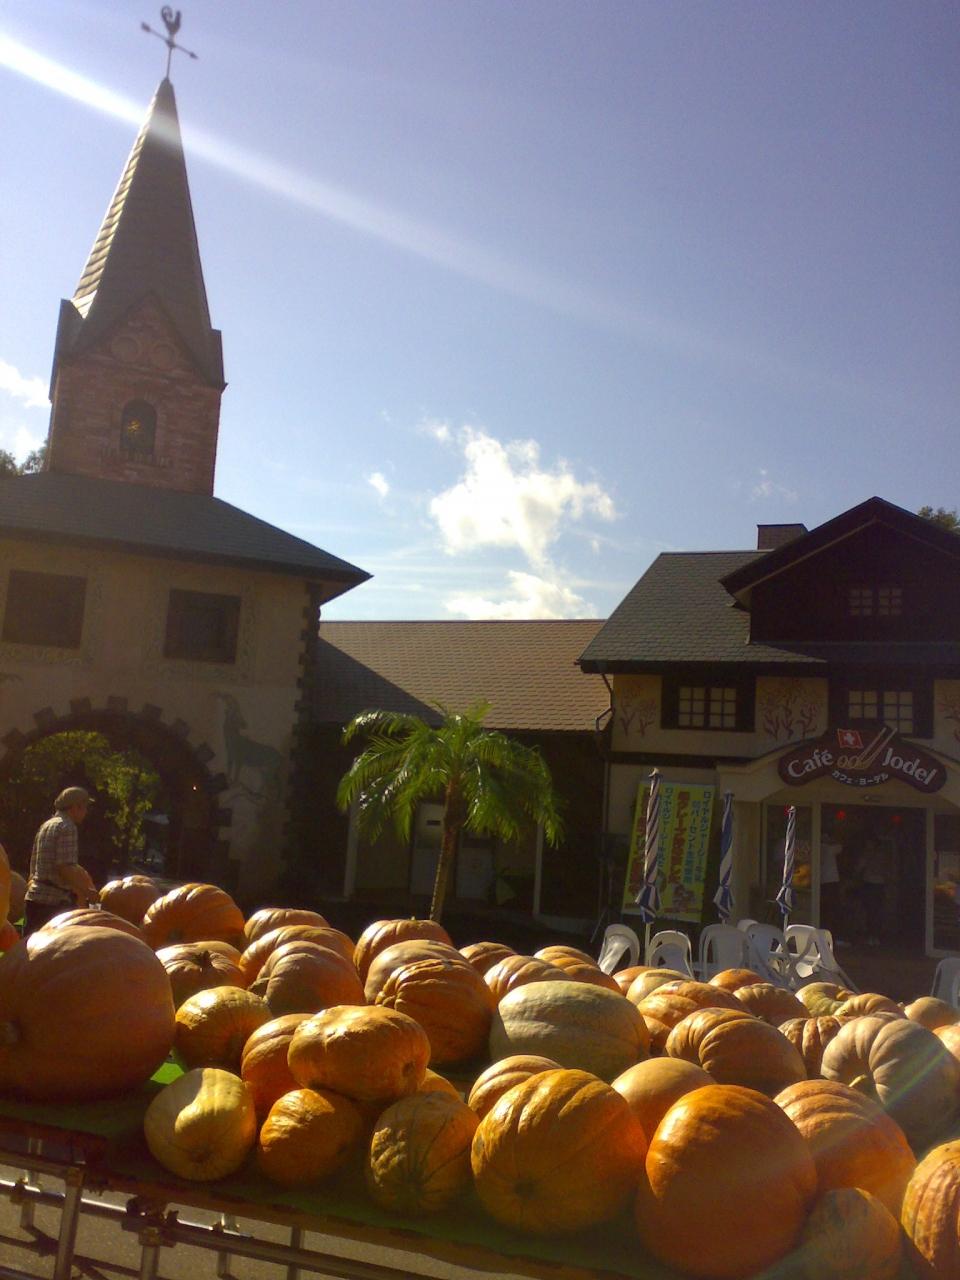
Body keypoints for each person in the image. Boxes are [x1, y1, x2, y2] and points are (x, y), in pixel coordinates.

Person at [23, 786, 99, 936]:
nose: (86, 812)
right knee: (58, 948)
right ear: (75, 807)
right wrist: (87, 892)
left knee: (29, 945)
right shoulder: (67, 827)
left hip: (34, 899)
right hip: (54, 904)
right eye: (84, 808)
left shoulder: (46, 825)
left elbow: (33, 864)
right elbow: (64, 867)